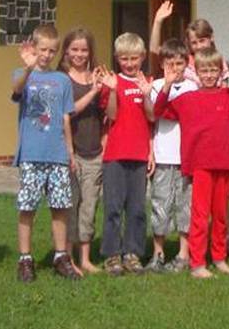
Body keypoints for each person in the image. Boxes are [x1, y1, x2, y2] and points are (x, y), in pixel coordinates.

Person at [153, 47, 229, 279]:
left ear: (220, 72)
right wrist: (167, 85)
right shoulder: (187, 99)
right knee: (199, 215)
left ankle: (219, 259)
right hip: (200, 165)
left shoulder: (228, 95)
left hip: (224, 163)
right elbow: (159, 110)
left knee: (220, 214)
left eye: (213, 70)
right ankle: (197, 263)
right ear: (197, 73)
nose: (209, 75)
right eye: (204, 71)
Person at [11, 25, 81, 282]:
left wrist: (70, 152)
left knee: (60, 206)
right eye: (43, 49)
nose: (47, 55)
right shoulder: (23, 74)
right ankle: (25, 259)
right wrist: (28, 67)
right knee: (28, 207)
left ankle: (60, 256)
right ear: (34, 48)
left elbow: (64, 117)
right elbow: (17, 90)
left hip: (57, 154)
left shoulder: (62, 80)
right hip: (32, 153)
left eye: (52, 51)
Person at [97, 32, 153, 276]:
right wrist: (111, 91)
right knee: (113, 207)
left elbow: (151, 117)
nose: (129, 64)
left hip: (139, 154)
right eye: (124, 59)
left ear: (142, 57)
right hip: (115, 155)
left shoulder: (146, 81)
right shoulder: (112, 81)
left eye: (134, 58)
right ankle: (112, 255)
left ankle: (132, 253)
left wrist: (148, 93)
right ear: (117, 59)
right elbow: (112, 115)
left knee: (137, 208)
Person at [57, 27, 105, 275]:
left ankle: (85, 258)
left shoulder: (97, 76)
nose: (79, 54)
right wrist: (93, 92)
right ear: (66, 50)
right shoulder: (61, 78)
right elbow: (67, 111)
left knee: (89, 206)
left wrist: (104, 145)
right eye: (74, 49)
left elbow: (105, 115)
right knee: (70, 206)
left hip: (94, 151)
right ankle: (68, 258)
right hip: (69, 152)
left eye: (84, 49)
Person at [145, 39, 197, 272]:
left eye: (179, 63)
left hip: (186, 158)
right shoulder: (155, 85)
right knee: (160, 205)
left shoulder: (192, 88)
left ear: (187, 64)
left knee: (185, 206)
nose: (175, 68)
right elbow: (154, 116)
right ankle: (158, 253)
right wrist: (166, 85)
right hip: (163, 155)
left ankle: (183, 254)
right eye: (170, 63)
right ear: (162, 63)